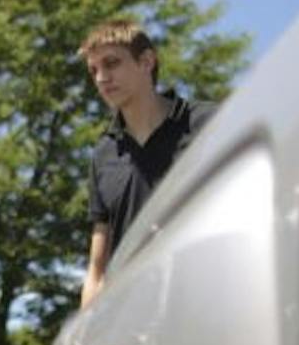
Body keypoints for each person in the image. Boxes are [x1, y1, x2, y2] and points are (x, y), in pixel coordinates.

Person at [79, 19, 217, 306]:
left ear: (147, 61)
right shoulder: (103, 153)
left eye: (112, 63)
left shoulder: (209, 123)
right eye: (94, 70)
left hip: (208, 304)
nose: (102, 77)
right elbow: (97, 269)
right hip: (129, 321)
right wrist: (85, 341)